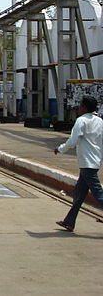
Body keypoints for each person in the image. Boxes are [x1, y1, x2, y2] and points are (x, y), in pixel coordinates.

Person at [54, 95, 103, 232]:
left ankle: (69, 221)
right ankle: (69, 221)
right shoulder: (100, 121)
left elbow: (73, 140)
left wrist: (60, 148)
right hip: (94, 161)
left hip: (87, 162)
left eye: (80, 105)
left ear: (85, 107)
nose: (79, 107)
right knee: (79, 194)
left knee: (98, 194)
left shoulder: (81, 121)